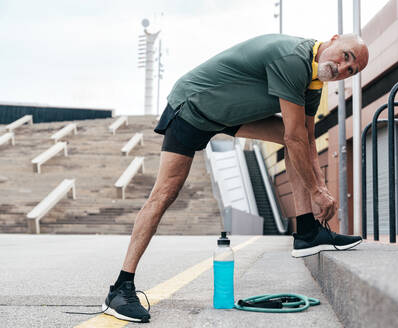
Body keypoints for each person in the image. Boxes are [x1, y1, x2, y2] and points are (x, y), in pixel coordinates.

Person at [102, 33, 369, 323]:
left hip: (227, 116)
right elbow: (294, 137)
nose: (343, 69)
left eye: (351, 71)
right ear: (333, 40)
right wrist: (317, 190)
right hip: (194, 105)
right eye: (346, 57)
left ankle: (306, 232)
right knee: (165, 193)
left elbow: (306, 138)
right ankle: (120, 288)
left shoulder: (314, 84)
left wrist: (320, 187)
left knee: (298, 139)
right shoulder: (294, 59)